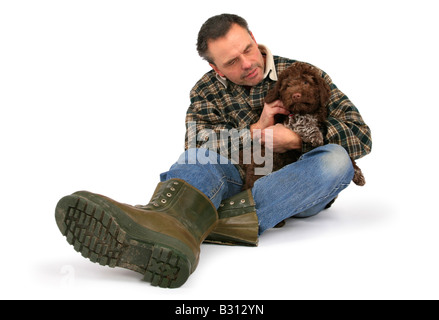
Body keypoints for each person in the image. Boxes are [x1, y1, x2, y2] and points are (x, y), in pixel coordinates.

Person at [55, 14, 372, 288]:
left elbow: (360, 133)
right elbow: (199, 143)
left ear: (253, 37)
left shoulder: (302, 72)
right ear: (215, 68)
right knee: (198, 158)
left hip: (296, 183)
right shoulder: (205, 90)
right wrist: (255, 132)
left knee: (336, 161)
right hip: (236, 177)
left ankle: (181, 221)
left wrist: (293, 139)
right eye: (232, 62)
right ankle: (174, 227)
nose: (247, 64)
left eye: (247, 49)